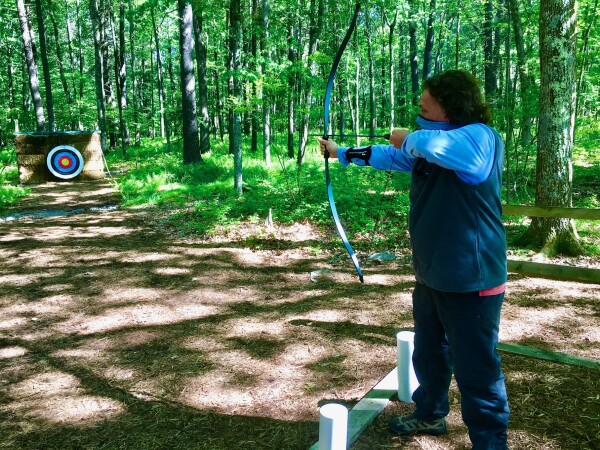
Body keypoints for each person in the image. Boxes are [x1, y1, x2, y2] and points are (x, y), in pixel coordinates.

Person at [318, 69, 509, 450]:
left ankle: (491, 444)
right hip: (433, 273)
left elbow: (442, 149)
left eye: (428, 98)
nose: (420, 102)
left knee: (477, 371)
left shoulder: (478, 138)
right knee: (429, 352)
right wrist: (342, 153)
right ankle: (430, 414)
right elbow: (390, 156)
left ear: (450, 104)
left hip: (472, 278)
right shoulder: (427, 147)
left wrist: (411, 138)